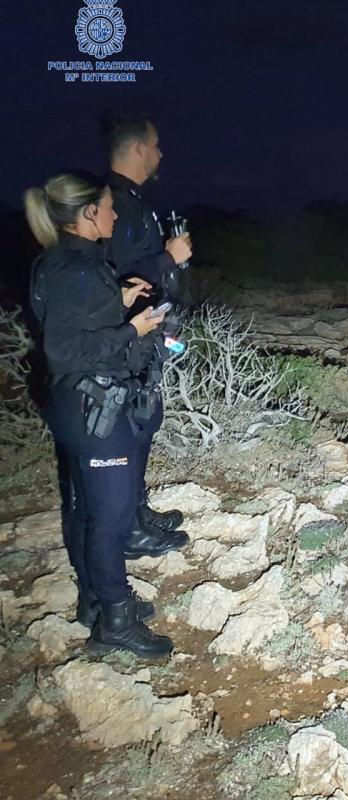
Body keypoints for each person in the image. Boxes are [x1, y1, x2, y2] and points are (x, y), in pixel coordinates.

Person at [25, 171, 176, 658]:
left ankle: (95, 602)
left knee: (88, 511)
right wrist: (131, 329)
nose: (114, 215)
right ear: (89, 214)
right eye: (108, 208)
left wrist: (120, 299)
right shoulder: (74, 269)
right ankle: (114, 617)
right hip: (95, 410)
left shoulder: (70, 263)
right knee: (108, 520)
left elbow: (79, 316)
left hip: (80, 406)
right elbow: (66, 348)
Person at [102, 113, 193, 552]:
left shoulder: (135, 201)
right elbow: (115, 277)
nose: (160, 153)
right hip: (128, 335)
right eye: (156, 145)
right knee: (133, 425)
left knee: (145, 420)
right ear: (138, 148)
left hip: (147, 332)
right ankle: (129, 528)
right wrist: (168, 258)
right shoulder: (113, 202)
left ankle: (138, 511)